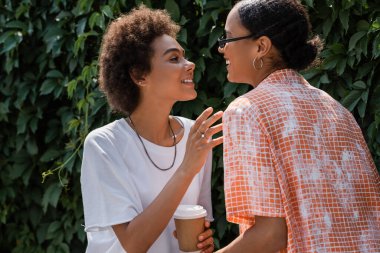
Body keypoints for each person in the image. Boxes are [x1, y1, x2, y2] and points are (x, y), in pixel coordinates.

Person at [216, 0, 380, 252]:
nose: (222, 49)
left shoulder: (247, 110)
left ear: (261, 46)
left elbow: (270, 236)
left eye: (228, 39)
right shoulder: (337, 109)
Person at [80, 5, 223, 253]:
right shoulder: (104, 145)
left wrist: (203, 242)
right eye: (174, 58)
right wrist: (187, 168)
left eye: (184, 56)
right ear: (139, 75)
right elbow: (133, 244)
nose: (190, 64)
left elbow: (197, 224)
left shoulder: (194, 135)